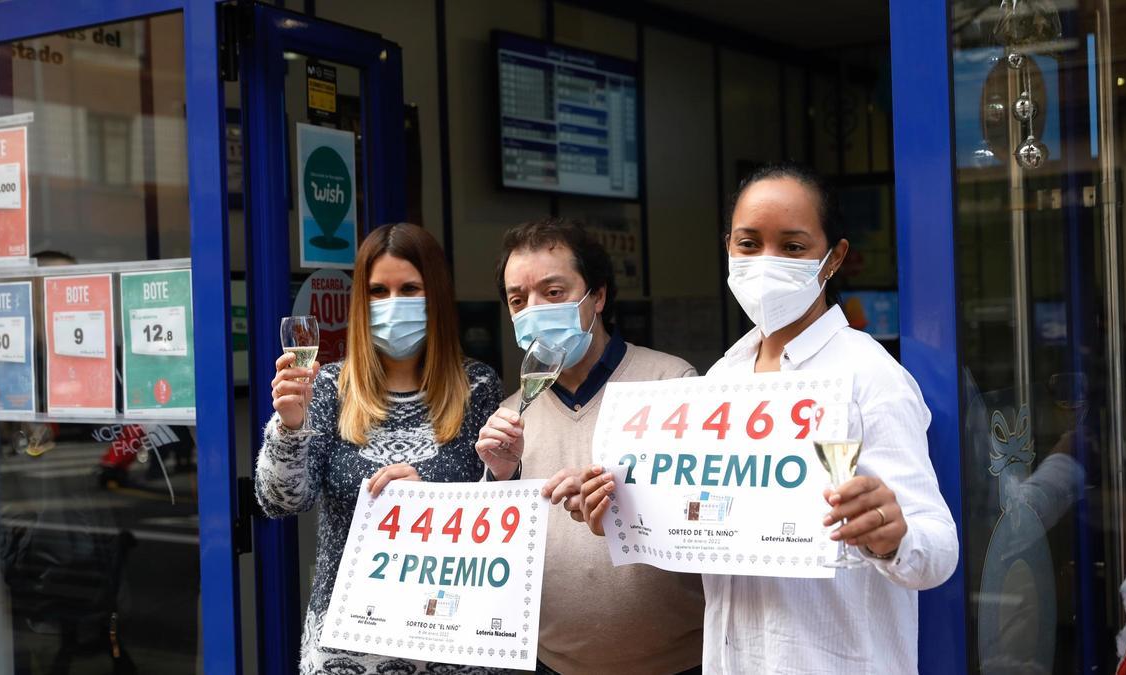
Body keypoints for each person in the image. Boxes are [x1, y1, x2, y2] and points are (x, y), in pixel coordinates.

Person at [579, 163, 959, 673]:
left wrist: (893, 537)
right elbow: (704, 523)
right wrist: (622, 512)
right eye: (749, 244)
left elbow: (937, 551)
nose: (766, 262)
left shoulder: (869, 376)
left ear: (834, 258)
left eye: (794, 247)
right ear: (728, 248)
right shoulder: (720, 380)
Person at [256, 223, 505, 675]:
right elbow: (281, 502)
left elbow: (501, 508)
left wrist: (428, 494)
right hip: (348, 647)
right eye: (377, 291)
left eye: (409, 288)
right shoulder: (329, 386)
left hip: (450, 640)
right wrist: (290, 425)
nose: (393, 304)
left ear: (436, 297)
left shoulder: (479, 387)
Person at [475, 218, 704, 674]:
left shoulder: (672, 383)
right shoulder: (510, 415)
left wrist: (624, 504)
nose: (534, 309)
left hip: (678, 662)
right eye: (518, 300)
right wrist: (498, 476)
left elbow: (707, 513)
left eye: (554, 292)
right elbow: (491, 556)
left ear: (597, 297)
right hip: (551, 664)